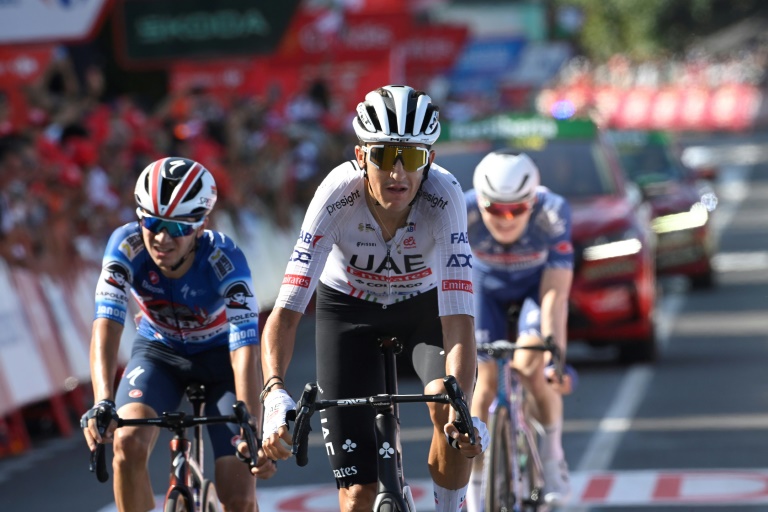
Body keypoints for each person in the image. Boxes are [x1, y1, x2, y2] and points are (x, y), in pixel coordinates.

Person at [259, 84, 489, 512]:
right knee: (358, 495)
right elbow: (286, 312)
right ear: (362, 155)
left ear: (430, 161)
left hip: (422, 312)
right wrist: (274, 395)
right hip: (348, 312)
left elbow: (458, 321)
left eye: (413, 157)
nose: (398, 173)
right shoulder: (336, 195)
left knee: (448, 412)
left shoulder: (445, 197)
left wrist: (460, 401)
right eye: (384, 155)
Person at [80, 157, 276, 512]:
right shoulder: (125, 246)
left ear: (200, 226)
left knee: (239, 499)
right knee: (126, 445)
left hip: (221, 362)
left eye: (176, 227)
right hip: (159, 353)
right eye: (151, 221)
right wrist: (103, 400)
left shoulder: (226, 259)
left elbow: (245, 345)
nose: (161, 237)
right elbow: (106, 323)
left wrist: (251, 419)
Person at [464, 151, 575, 510]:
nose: (506, 219)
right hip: (485, 288)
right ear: (479, 201)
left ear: (534, 201)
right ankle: (475, 487)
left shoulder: (554, 211)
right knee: (482, 387)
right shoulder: (460, 211)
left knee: (531, 368)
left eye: (517, 209)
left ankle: (552, 451)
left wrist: (554, 360)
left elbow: (555, 296)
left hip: (533, 288)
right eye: (495, 209)